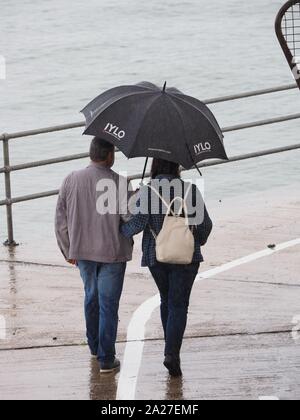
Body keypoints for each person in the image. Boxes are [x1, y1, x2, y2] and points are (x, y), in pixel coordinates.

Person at [121, 158, 213, 377]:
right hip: (187, 258)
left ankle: (169, 350)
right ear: (176, 166)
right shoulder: (189, 190)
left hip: (156, 256)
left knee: (166, 299)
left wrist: (125, 219)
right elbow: (205, 226)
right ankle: (172, 354)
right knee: (179, 304)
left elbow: (135, 225)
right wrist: (195, 240)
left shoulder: (148, 192)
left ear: (154, 166)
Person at [55, 137, 133, 373]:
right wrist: (136, 198)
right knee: (108, 305)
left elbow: (60, 219)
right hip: (112, 253)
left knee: (91, 297)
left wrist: (68, 249)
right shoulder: (119, 183)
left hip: (83, 253)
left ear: (91, 154)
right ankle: (106, 358)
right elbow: (129, 218)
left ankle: (94, 346)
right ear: (109, 156)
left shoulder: (71, 179)